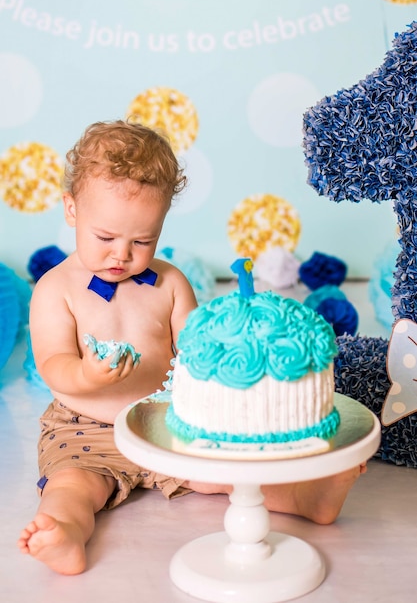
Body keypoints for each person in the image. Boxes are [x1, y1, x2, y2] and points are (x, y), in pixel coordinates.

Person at [18, 120, 367, 576]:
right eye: (105, 237)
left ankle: (308, 497)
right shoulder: (55, 288)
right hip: (86, 427)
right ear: (71, 209)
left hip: (165, 417)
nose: (120, 255)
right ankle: (64, 531)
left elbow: (196, 347)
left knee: (222, 476)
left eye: (142, 241)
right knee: (73, 485)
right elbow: (52, 362)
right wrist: (87, 376)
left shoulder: (169, 282)